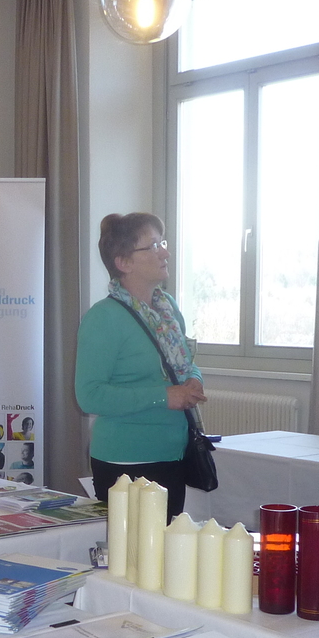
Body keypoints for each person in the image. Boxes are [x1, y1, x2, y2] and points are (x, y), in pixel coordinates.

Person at [75, 212, 205, 521]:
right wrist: (164, 396)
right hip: (126, 462)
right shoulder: (103, 318)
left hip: (174, 454)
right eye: (153, 246)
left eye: (163, 243)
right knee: (134, 551)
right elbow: (89, 396)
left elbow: (185, 363)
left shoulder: (168, 308)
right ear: (124, 262)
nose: (165, 253)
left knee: (168, 546)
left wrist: (194, 379)